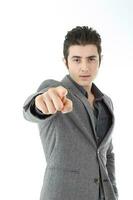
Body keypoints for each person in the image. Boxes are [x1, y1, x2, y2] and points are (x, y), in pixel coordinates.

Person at [23, 26, 119, 200]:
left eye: (91, 59)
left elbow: (107, 153)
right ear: (65, 62)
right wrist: (40, 104)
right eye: (76, 59)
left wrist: (112, 190)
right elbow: (35, 107)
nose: (84, 67)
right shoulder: (55, 90)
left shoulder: (106, 102)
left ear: (100, 60)